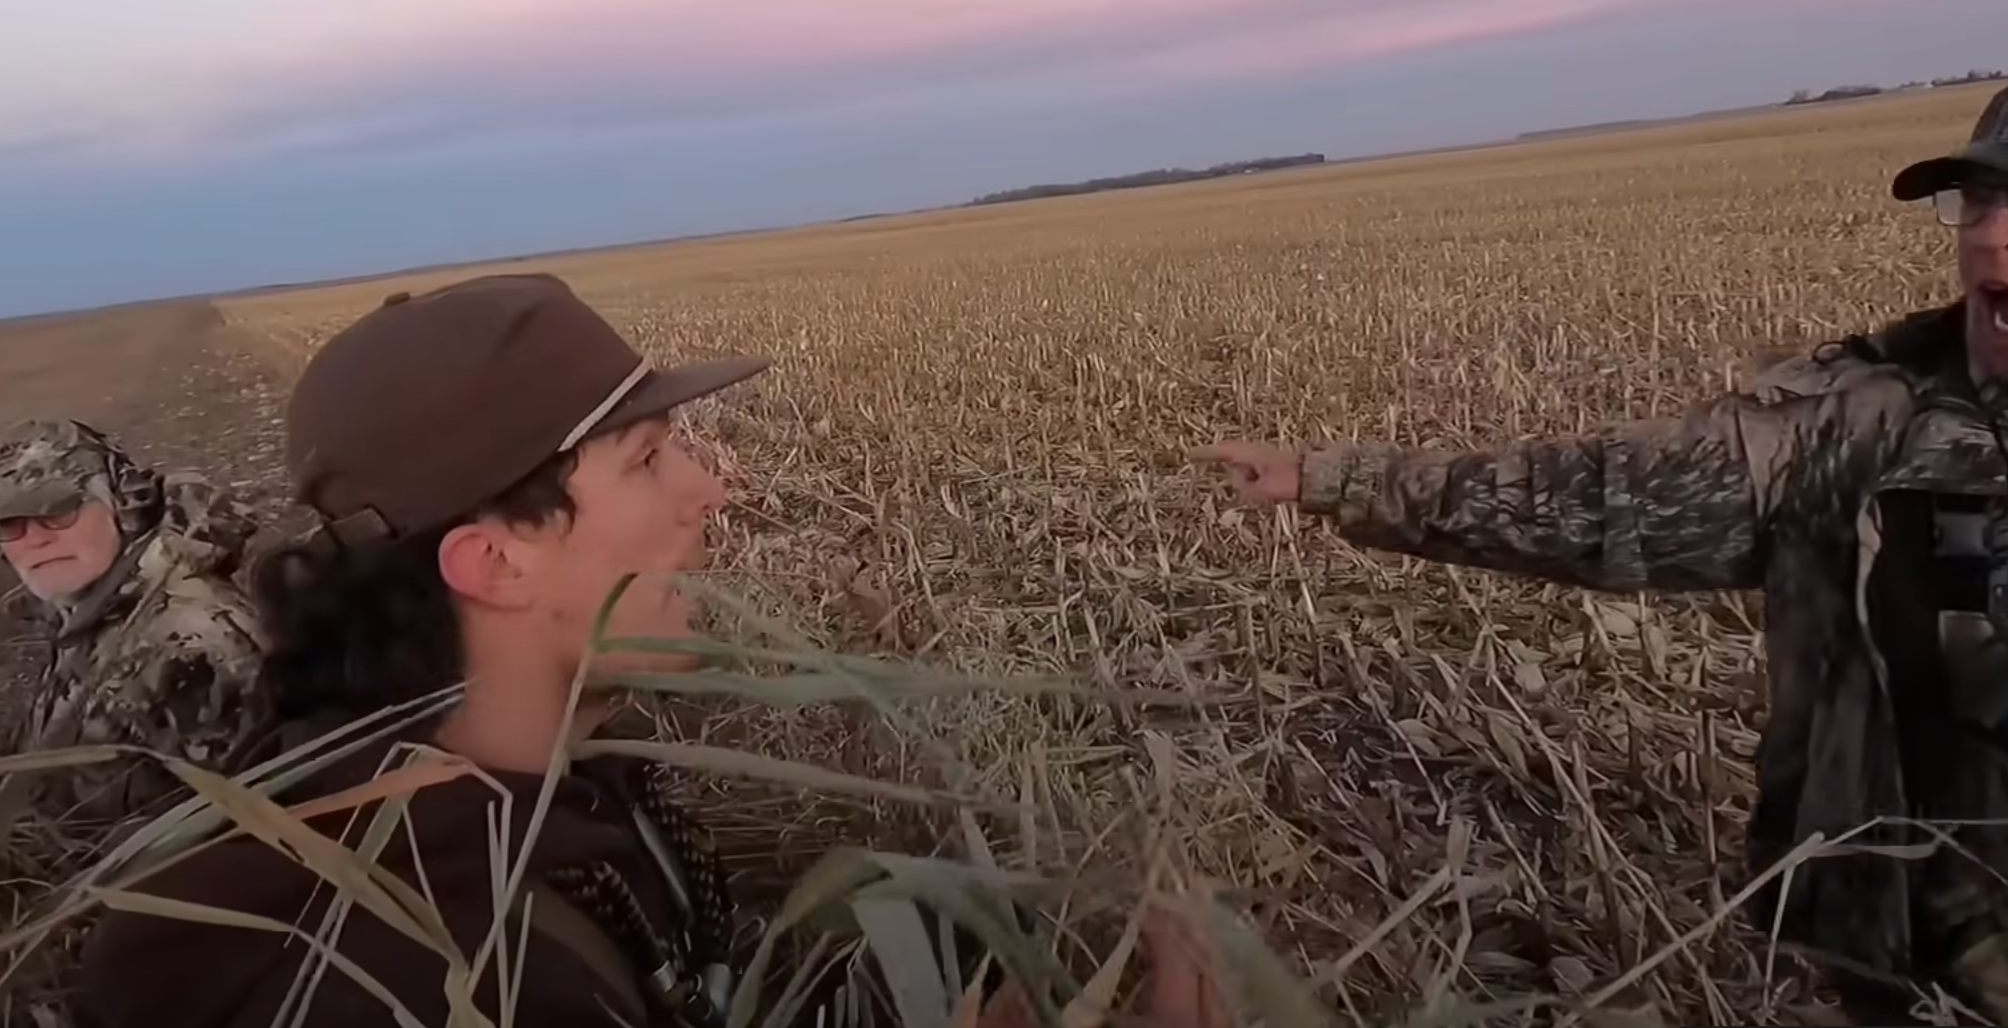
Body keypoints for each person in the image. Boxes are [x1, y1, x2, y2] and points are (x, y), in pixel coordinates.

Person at [1193, 56, 2008, 1025]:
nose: (1990, 232)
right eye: (1978, 198)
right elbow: (1608, 498)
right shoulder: (1862, 423)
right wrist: (1342, 480)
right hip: (1937, 991)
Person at [72, 272, 1231, 1028]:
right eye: (644, 459)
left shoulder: (509, 805)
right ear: (493, 562)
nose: (708, 490)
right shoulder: (424, 970)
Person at [0, 417, 268, 834]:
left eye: (60, 511)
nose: (35, 539)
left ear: (123, 506)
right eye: (8, 523)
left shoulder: (193, 646)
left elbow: (257, 837)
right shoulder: (90, 610)